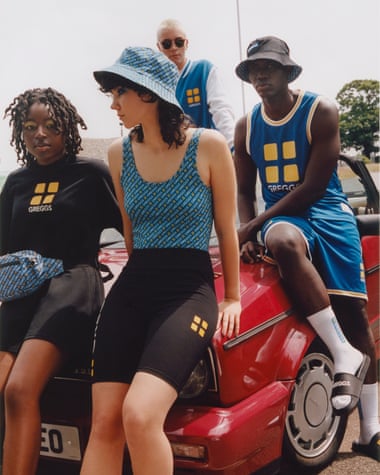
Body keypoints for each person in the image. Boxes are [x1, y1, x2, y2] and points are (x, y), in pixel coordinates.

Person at [80, 46, 241, 475]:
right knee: (104, 422)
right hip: (134, 288)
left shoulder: (207, 145)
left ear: (149, 94)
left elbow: (227, 229)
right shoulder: (118, 153)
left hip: (189, 290)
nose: (112, 104)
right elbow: (130, 233)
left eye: (119, 93)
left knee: (140, 414)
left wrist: (234, 298)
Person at [234, 36, 379, 461]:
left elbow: (315, 186)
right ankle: (340, 354)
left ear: (288, 71)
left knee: (355, 312)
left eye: (269, 67)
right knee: (280, 241)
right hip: (284, 219)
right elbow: (244, 189)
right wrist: (251, 229)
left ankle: (370, 429)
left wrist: (250, 227)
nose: (260, 75)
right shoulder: (246, 126)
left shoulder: (321, 110)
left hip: (327, 208)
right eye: (253, 69)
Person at [0, 87, 122, 474]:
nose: (40, 134)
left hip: (73, 283)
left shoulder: (91, 174)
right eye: (30, 126)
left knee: (20, 390)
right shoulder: (16, 183)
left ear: (67, 129)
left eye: (51, 126)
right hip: (23, 294)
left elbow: (131, 230)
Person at [156, 18, 235, 151]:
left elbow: (221, 111)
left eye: (179, 42)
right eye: (167, 44)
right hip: (173, 157)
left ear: (186, 43)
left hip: (207, 153)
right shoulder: (156, 84)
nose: (174, 48)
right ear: (159, 47)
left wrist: (233, 148)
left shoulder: (204, 70)